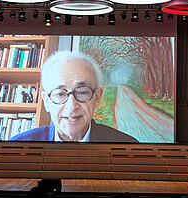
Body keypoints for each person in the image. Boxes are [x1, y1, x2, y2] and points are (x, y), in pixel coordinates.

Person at [10, 50, 138, 142]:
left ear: (97, 98)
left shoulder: (127, 147)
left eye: (82, 92)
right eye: (60, 94)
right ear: (47, 101)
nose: (71, 106)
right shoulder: (17, 148)